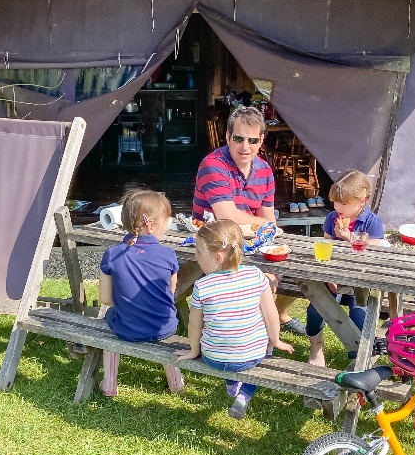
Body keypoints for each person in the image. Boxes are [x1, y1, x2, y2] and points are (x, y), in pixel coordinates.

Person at [192, 104, 306, 336]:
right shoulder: (213, 165)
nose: (246, 147)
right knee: (263, 279)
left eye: (252, 141)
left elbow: (267, 219)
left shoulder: (264, 169)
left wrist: (266, 227)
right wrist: (266, 226)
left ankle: (270, 327)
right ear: (227, 137)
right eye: (239, 138)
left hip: (251, 241)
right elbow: (227, 217)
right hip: (214, 241)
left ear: (261, 140)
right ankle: (251, 341)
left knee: (301, 269)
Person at [174, 220, 293, 419]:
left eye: (199, 253)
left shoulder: (202, 286)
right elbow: (271, 313)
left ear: (218, 257)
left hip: (214, 358)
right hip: (250, 356)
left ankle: (231, 385)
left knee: (224, 339)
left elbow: (195, 325)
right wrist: (275, 340)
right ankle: (245, 394)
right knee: (266, 348)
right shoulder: (255, 275)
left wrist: (194, 351)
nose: (196, 257)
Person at [98, 189, 185, 397]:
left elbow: (105, 298)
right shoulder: (168, 254)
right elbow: (171, 292)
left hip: (127, 328)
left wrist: (127, 305)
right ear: (151, 225)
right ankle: (177, 384)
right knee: (161, 325)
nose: (169, 224)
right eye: (167, 220)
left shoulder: (112, 254)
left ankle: (109, 384)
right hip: (164, 326)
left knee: (109, 320)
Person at [306, 170, 389, 368]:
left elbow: (373, 253)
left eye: (344, 203)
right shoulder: (332, 218)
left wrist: (346, 237)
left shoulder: (372, 222)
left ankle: (357, 355)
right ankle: (316, 345)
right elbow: (326, 250)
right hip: (335, 276)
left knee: (359, 315)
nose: (338, 207)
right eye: (335, 202)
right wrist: (329, 277)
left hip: (361, 280)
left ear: (361, 202)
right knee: (316, 308)